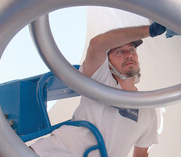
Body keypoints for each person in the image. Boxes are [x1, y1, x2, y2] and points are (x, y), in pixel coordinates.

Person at [31, 23, 167, 157]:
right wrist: (151, 30)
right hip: (53, 153)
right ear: (107, 62)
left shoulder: (147, 109)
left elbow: (141, 154)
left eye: (132, 50)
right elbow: (96, 44)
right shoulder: (99, 78)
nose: (128, 55)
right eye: (120, 51)